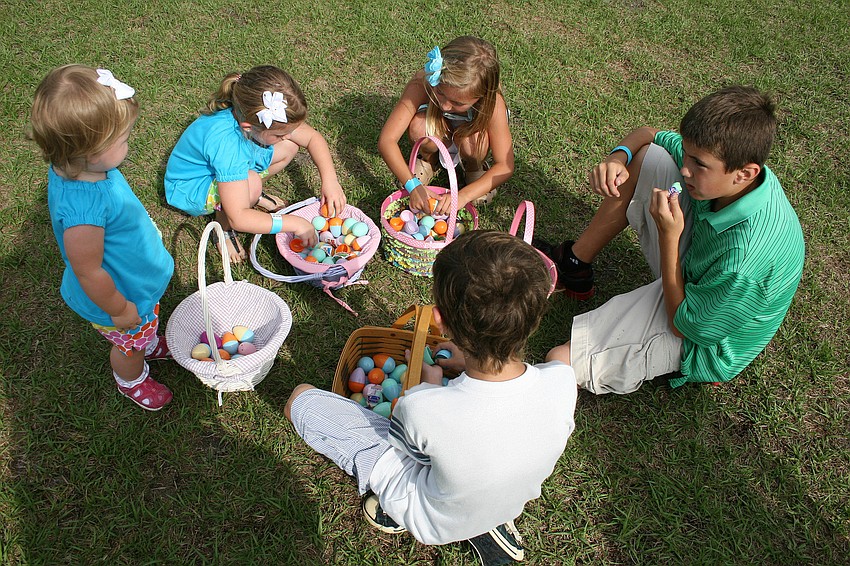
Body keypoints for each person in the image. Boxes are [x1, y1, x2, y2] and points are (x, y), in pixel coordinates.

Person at [285, 230, 577, 564]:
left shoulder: (423, 406)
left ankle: (399, 509)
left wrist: (431, 387)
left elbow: (417, 457)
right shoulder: (562, 383)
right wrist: (463, 365)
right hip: (505, 499)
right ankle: (485, 521)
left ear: (440, 322)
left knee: (300, 399)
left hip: (432, 515)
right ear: (535, 319)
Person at [537, 86, 805, 394]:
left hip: (702, 340)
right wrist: (617, 157)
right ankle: (574, 264)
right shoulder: (727, 177)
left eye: (699, 164)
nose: (685, 169)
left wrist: (670, 237)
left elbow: (685, 325)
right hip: (700, 275)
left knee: (559, 359)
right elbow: (649, 135)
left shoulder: (744, 262)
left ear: (745, 173)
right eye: (688, 155)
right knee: (650, 158)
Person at [30, 65, 175, 410]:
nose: (129, 142)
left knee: (143, 329)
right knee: (129, 345)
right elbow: (88, 271)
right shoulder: (83, 213)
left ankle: (148, 340)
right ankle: (132, 378)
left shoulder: (90, 169)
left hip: (134, 284)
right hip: (119, 298)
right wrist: (120, 309)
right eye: (122, 139)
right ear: (91, 150)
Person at [165, 65, 341, 262]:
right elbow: (239, 217)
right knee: (251, 183)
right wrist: (295, 223)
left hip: (231, 164)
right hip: (192, 188)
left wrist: (330, 180)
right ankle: (223, 228)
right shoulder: (227, 145)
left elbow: (312, 139)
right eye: (279, 134)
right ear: (248, 128)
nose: (285, 137)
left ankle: (248, 194)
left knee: (290, 147)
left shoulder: (250, 119)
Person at [378, 36, 514, 215]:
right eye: (440, 93)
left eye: (458, 103)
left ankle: (474, 168)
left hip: (470, 135)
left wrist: (463, 196)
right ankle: (428, 160)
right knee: (420, 127)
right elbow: (386, 140)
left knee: (474, 142)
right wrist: (412, 185)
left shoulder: (493, 104)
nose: (445, 106)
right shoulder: (422, 82)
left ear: (482, 97)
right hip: (437, 126)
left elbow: (505, 165)